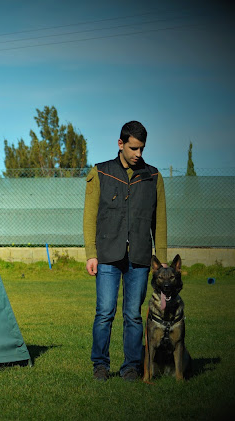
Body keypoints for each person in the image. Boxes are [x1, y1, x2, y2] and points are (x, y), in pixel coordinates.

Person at [83, 120, 167, 382]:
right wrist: (91, 253)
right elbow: (90, 216)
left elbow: (160, 222)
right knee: (105, 312)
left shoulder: (153, 177)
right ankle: (100, 365)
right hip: (107, 255)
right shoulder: (100, 173)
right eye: (133, 148)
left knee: (133, 314)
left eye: (142, 148)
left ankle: (131, 366)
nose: (138, 154)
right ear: (121, 144)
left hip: (140, 258)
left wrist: (162, 261)